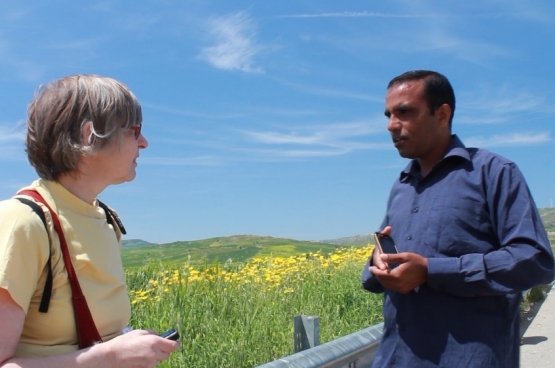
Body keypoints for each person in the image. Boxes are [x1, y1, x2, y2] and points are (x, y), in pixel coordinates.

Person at [361, 70, 554, 367]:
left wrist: (431, 271)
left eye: (404, 112)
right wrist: (377, 266)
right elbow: (386, 264)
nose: (391, 125)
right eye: (388, 115)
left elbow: (535, 260)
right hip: (396, 357)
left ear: (442, 113)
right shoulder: (402, 184)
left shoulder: (494, 173)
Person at [0, 75, 180, 367]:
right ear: (89, 135)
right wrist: (109, 356)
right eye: (135, 131)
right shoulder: (22, 222)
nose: (144, 143)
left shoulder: (106, 219)